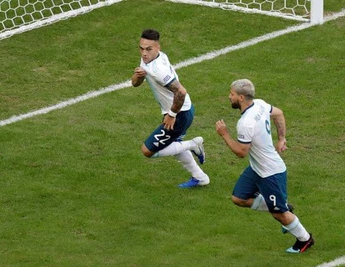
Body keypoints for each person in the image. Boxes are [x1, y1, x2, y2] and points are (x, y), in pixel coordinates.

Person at [215, 79, 314, 253]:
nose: (229, 97)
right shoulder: (260, 104)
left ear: (241, 97)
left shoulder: (245, 123)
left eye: (231, 94)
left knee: (279, 214)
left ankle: (305, 239)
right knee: (239, 198)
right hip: (257, 167)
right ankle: (283, 207)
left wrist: (224, 134)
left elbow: (241, 152)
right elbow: (279, 113)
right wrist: (282, 138)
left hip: (271, 172)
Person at [131, 29, 209, 188]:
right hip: (177, 110)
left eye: (148, 49)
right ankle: (200, 178)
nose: (144, 53)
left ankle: (194, 144)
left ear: (158, 47)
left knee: (148, 151)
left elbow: (180, 91)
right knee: (175, 144)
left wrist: (172, 115)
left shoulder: (159, 70)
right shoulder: (149, 58)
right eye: (141, 48)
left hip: (180, 113)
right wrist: (138, 76)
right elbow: (135, 83)